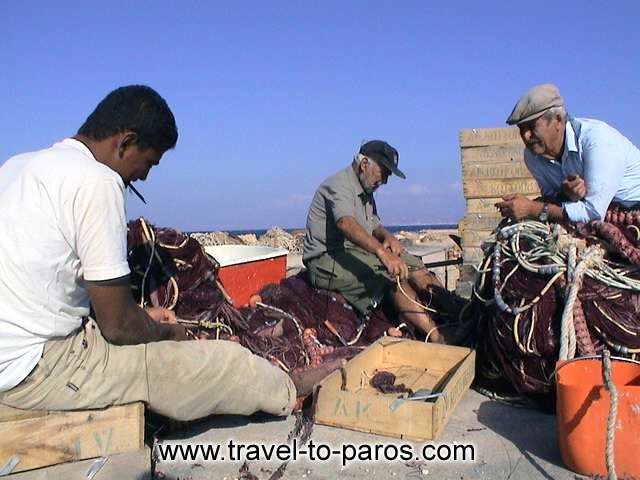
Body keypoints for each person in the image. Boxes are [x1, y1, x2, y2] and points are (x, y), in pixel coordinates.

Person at [0, 85, 324, 421]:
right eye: (148, 163)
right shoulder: (96, 181)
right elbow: (118, 327)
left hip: (12, 353)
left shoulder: (18, 167)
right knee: (222, 363)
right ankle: (287, 390)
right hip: (37, 368)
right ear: (125, 142)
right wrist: (170, 334)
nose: (143, 176)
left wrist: (143, 319)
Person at [303, 140, 450, 343]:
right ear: (364, 164)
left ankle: (454, 312)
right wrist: (382, 253)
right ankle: (436, 335)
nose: (385, 181)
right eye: (384, 172)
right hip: (326, 259)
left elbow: (373, 224)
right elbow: (345, 223)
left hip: (353, 251)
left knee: (415, 266)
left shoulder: (366, 189)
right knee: (389, 276)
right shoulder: (338, 185)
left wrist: (387, 237)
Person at [496, 83, 640, 223]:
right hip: (593, 211)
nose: (526, 136)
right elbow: (552, 199)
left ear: (558, 120)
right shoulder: (532, 156)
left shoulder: (597, 139)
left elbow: (593, 213)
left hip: (631, 208)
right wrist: (566, 194)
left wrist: (532, 208)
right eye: (521, 129)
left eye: (532, 127)